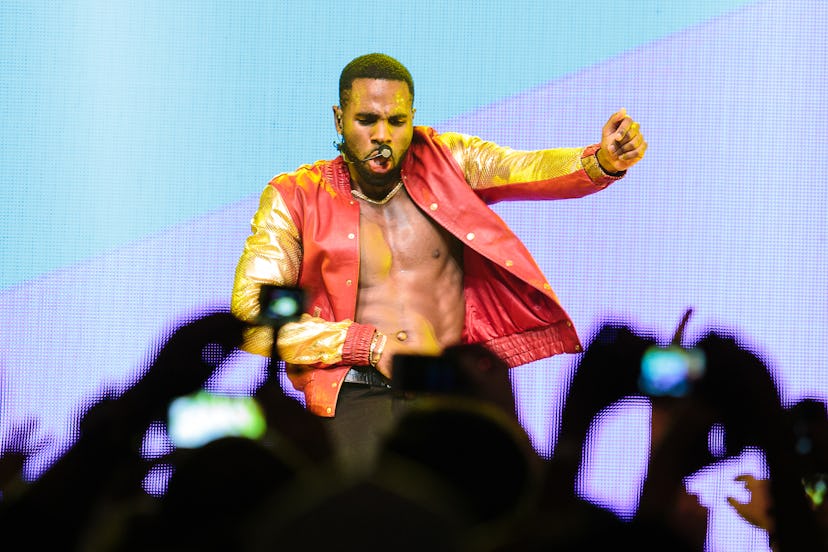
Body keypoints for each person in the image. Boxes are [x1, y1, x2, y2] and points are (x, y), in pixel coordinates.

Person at [230, 52, 647, 471]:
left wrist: (599, 161)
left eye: (396, 122)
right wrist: (365, 345)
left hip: (454, 392)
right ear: (339, 120)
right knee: (380, 518)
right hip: (357, 393)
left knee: (498, 516)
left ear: (413, 117)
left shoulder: (448, 160)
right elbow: (251, 314)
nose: (382, 135)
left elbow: (520, 168)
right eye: (366, 120)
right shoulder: (294, 196)